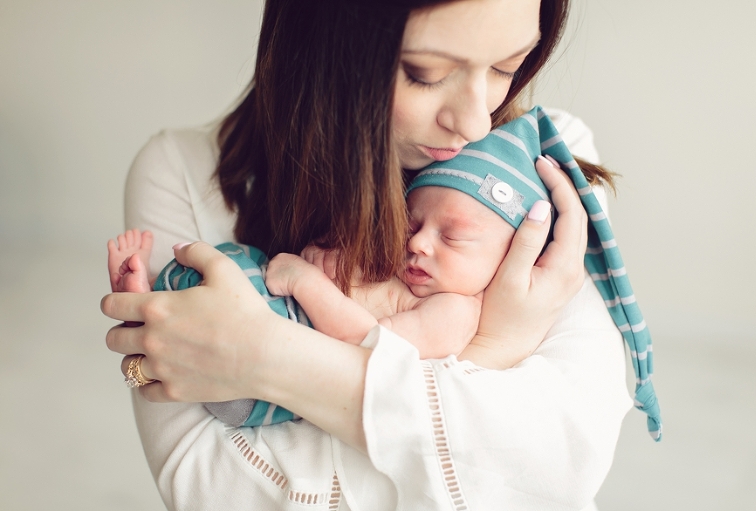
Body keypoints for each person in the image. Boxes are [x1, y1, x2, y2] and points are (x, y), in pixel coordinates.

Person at [101, 0, 638, 509]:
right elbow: (214, 491)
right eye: (425, 73)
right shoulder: (179, 173)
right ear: (324, 40)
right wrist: (474, 396)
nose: (476, 123)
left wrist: (263, 356)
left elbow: (559, 472)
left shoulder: (542, 172)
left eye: (507, 67)